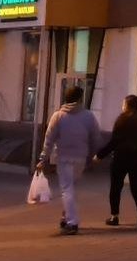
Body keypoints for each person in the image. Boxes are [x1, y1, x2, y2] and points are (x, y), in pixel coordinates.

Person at [37, 85, 102, 235]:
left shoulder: (58, 116)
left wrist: (43, 158)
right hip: (81, 158)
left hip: (64, 157)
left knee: (67, 189)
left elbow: (49, 139)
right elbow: (95, 138)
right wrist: (93, 156)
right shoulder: (88, 116)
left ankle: (72, 222)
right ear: (80, 99)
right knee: (71, 188)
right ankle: (66, 216)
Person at [95, 95, 137, 230]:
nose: (122, 106)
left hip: (121, 158)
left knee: (116, 187)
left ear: (127, 105)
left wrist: (100, 155)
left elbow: (114, 141)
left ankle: (115, 216)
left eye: (123, 104)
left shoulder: (122, 119)